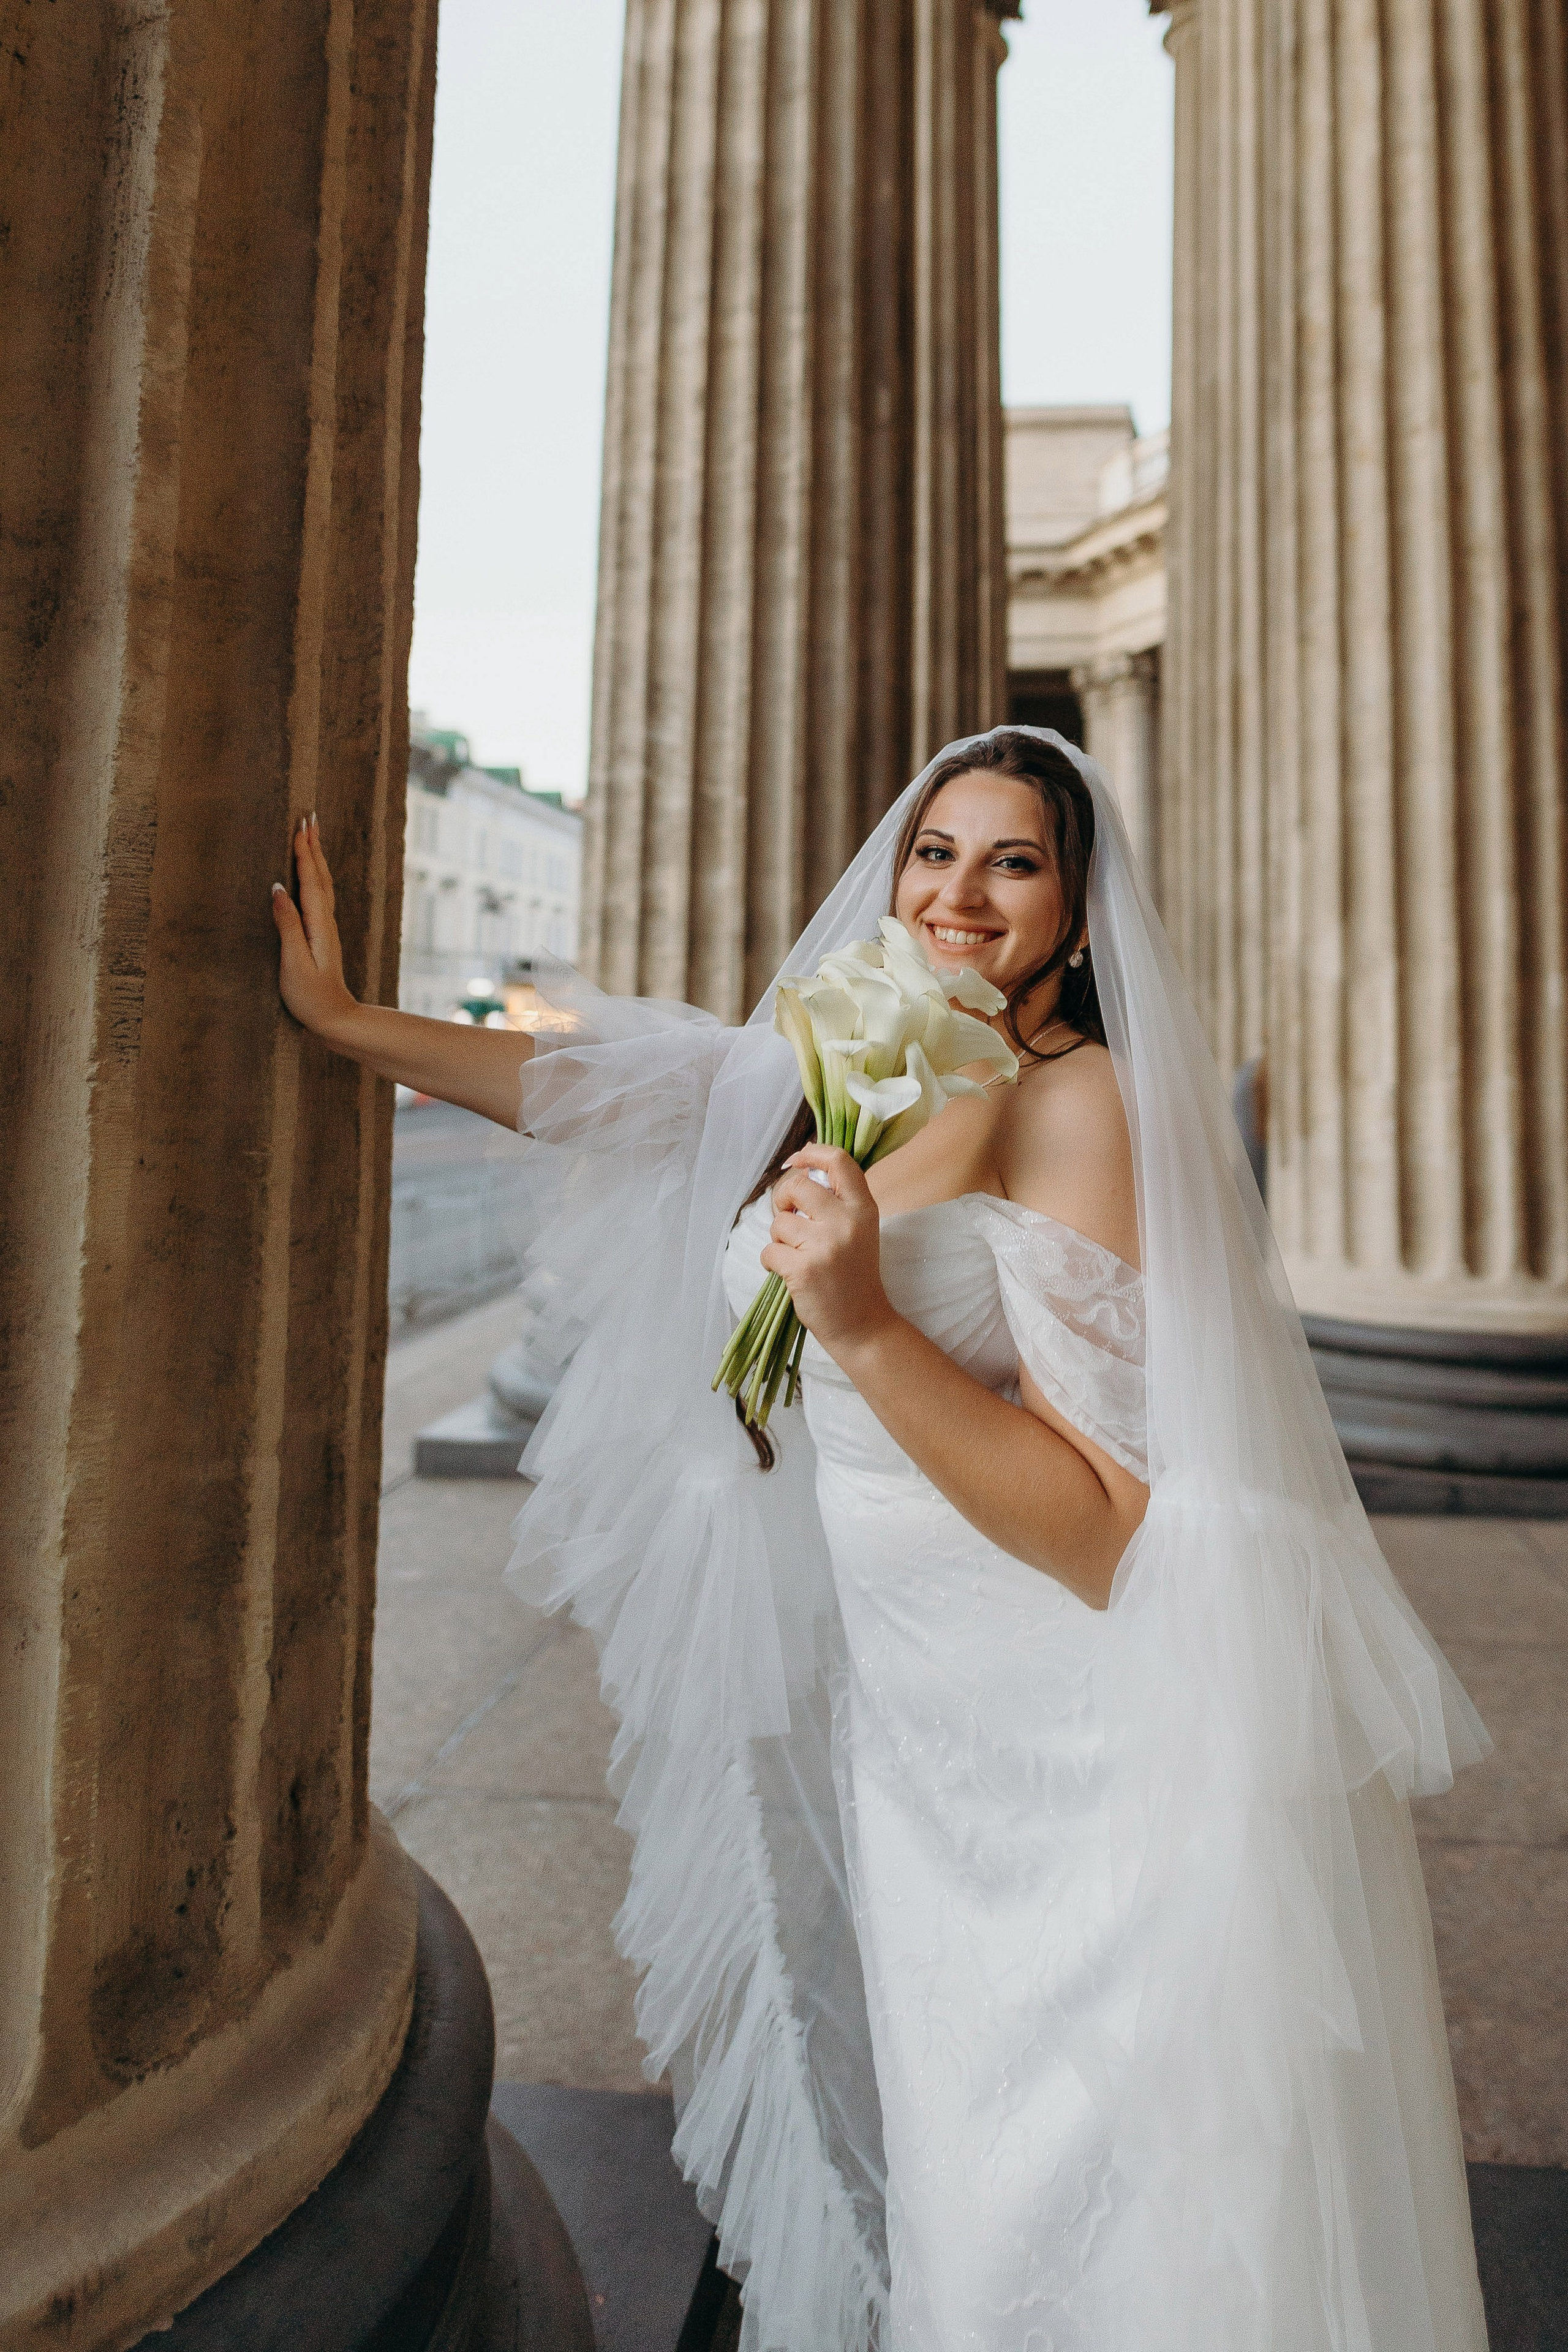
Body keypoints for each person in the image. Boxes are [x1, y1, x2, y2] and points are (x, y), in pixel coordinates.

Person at [274, 728, 1490, 2352]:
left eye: (1014, 861)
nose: (959, 892)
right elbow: (622, 1093)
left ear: (1076, 906)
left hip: (1066, 1747)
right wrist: (353, 1025)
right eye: (934, 851)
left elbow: (1114, 1533)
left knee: (1065, 2186)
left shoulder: (1080, 1108)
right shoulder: (884, 1056)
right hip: (927, 1728)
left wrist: (858, 1324)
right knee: (962, 2153)